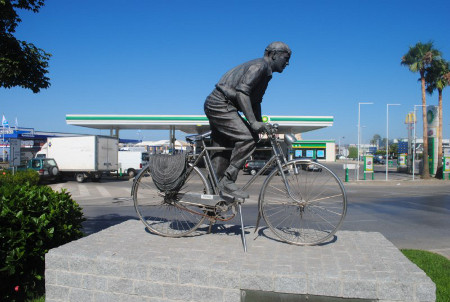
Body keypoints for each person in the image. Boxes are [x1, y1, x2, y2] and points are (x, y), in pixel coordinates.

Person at [204, 41, 291, 199]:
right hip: (220, 104)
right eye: (285, 58)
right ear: (273, 55)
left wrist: (260, 123)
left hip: (223, 105)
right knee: (248, 138)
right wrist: (253, 123)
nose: (287, 63)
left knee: (221, 155)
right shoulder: (259, 67)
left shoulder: (266, 73)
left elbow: (255, 102)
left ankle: (211, 200)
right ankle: (228, 181)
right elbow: (242, 94)